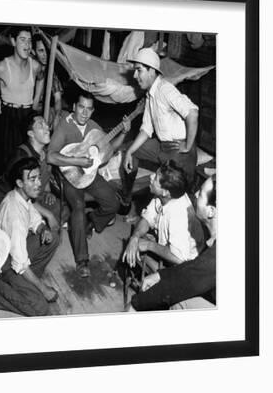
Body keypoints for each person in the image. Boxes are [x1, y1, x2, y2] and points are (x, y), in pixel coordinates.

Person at [48, 91, 129, 278]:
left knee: (113, 203)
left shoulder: (93, 127)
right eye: (81, 107)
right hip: (69, 176)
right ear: (74, 107)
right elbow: (51, 156)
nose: (84, 113)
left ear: (93, 111)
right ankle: (82, 260)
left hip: (90, 175)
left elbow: (110, 149)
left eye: (89, 109)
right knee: (78, 206)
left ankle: (91, 221)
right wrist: (77, 162)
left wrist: (124, 133)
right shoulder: (64, 126)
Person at [120, 48, 199, 209]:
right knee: (131, 150)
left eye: (139, 70)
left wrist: (188, 145)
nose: (135, 76)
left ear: (151, 71)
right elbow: (146, 130)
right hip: (162, 147)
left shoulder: (165, 89)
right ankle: (126, 199)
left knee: (175, 197)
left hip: (179, 151)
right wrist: (129, 152)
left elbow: (192, 113)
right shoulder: (150, 95)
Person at [129, 175, 217, 311]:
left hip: (185, 264)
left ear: (211, 211)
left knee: (176, 300)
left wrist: (136, 304)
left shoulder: (216, 255)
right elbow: (147, 217)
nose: (196, 194)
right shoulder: (163, 198)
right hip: (192, 271)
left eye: (201, 194)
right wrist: (160, 275)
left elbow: (186, 275)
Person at [0, 157, 60, 316]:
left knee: (53, 238)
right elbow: (19, 262)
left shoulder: (20, 196)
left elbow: (34, 218)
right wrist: (44, 289)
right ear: (20, 183)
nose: (39, 184)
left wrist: (43, 229)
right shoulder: (14, 215)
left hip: (12, 253)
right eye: (32, 179)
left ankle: (27, 282)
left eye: (39, 178)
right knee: (40, 308)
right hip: (3, 264)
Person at [0, 27, 45, 165]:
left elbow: (41, 77)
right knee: (9, 161)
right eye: (22, 40)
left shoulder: (35, 66)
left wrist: (36, 99)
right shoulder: (2, 67)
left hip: (27, 114)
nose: (27, 45)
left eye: (29, 41)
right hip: (8, 116)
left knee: (28, 159)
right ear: (13, 42)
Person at [122, 160, 202, 269]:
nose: (151, 177)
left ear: (165, 192)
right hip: (168, 245)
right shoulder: (166, 196)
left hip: (184, 266)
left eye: (155, 178)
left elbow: (179, 258)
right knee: (134, 242)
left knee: (135, 254)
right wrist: (135, 237)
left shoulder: (178, 216)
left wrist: (149, 245)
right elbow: (148, 218)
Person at [0, 111, 60, 228]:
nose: (47, 128)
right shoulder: (22, 156)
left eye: (46, 123)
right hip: (8, 199)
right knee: (28, 225)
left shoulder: (43, 152)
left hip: (30, 194)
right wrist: (48, 214)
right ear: (31, 133)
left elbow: (45, 175)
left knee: (58, 207)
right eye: (40, 125)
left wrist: (48, 192)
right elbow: (20, 196)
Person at [31, 33, 65, 128]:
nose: (45, 54)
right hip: (26, 110)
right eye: (41, 51)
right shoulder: (29, 68)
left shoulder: (51, 71)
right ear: (33, 51)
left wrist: (57, 115)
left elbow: (58, 98)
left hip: (42, 111)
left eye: (47, 50)